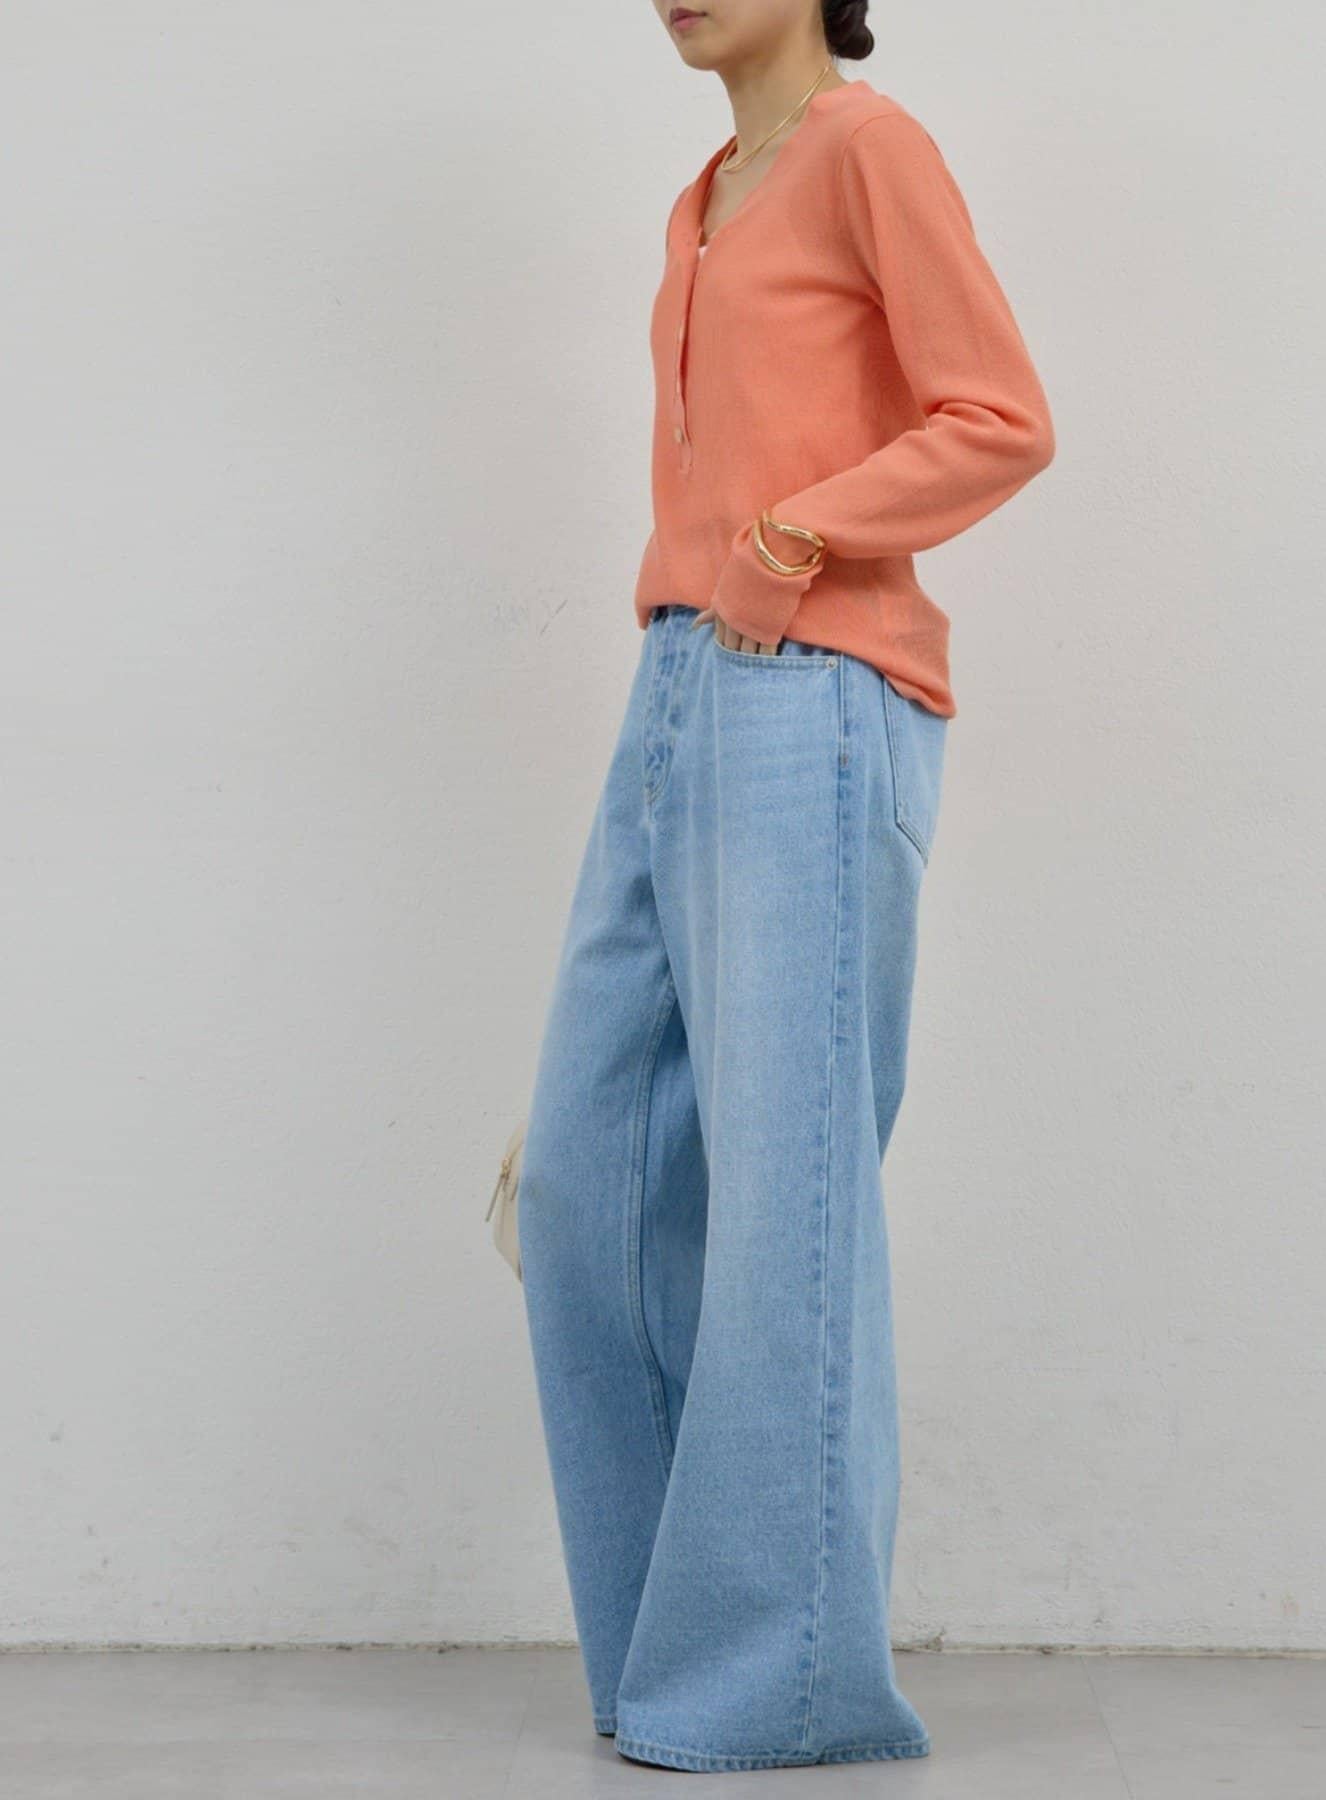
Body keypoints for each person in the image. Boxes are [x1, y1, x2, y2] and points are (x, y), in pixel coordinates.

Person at [516, 0, 1054, 1773]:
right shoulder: (702, 194)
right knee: (589, 1183)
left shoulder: (868, 151)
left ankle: (787, 1685)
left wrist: (794, 535)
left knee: (783, 1198)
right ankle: (673, 1662)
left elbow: (1001, 415)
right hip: (675, 686)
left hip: (813, 693)